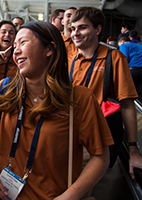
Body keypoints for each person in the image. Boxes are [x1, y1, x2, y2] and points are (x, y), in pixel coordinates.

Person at [0, 21, 113, 200]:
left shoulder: (79, 99)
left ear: (49, 49)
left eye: (23, 43)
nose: (16, 50)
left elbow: (100, 157)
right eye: (15, 45)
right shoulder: (4, 89)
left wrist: (70, 196)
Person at [69, 7, 142, 178]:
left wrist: (133, 149)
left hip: (95, 141)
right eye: (73, 29)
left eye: (82, 27)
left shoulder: (114, 58)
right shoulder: (69, 58)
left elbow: (127, 104)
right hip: (67, 136)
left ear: (98, 29)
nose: (75, 33)